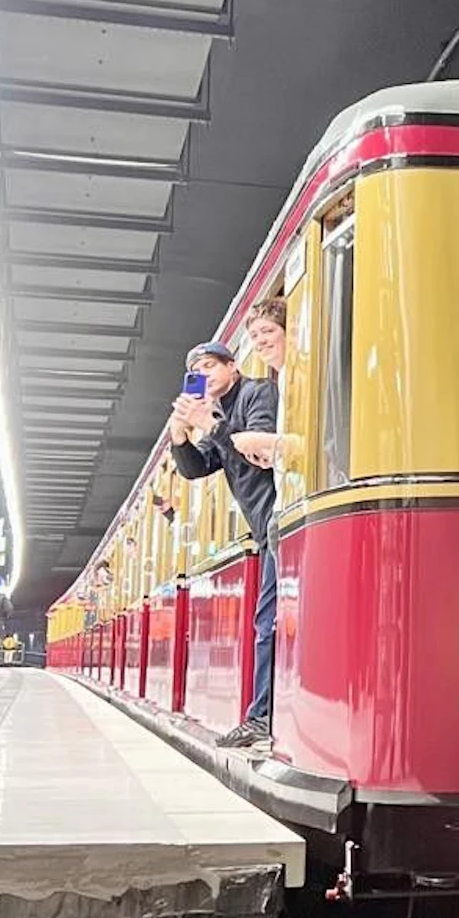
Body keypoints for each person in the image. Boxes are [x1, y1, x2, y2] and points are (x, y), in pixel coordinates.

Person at [167, 307, 285, 748]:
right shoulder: (218, 411)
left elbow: (257, 450)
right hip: (266, 527)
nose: (204, 374)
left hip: (279, 518)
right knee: (268, 621)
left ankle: (262, 717)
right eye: (196, 371)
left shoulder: (257, 394)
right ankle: (263, 715)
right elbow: (197, 468)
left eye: (210, 365)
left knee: (268, 621)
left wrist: (209, 425)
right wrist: (180, 435)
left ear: (232, 366)